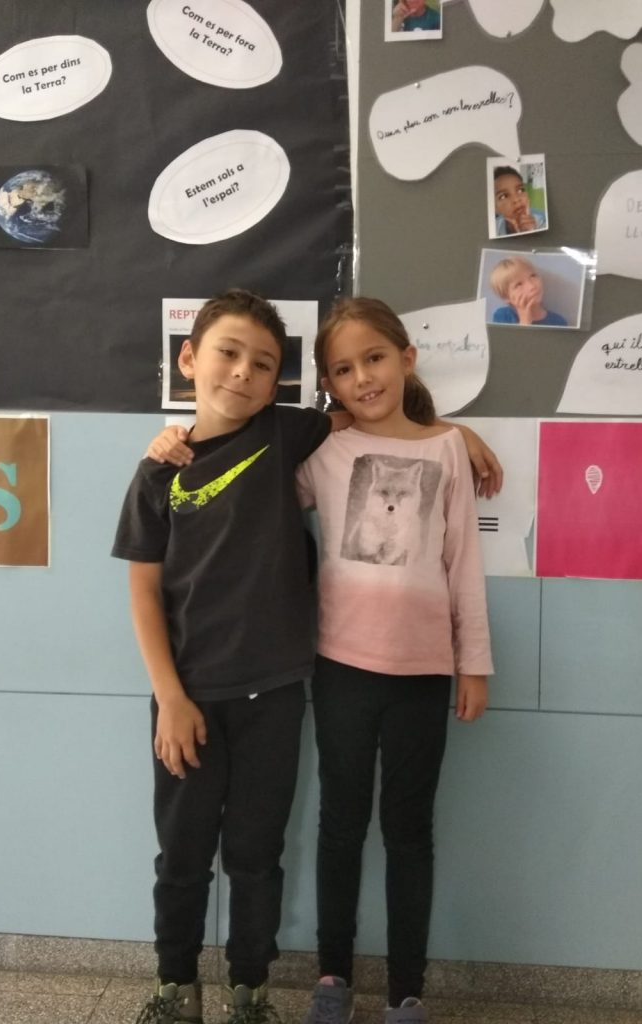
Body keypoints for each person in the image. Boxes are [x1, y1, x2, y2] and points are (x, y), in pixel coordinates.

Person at [122, 290, 501, 1024]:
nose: (243, 372)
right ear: (189, 358)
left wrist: (457, 433)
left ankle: (325, 991)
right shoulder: (209, 463)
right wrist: (164, 445)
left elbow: (448, 532)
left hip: (337, 683)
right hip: (259, 680)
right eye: (228, 354)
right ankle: (212, 985)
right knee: (223, 847)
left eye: (263, 364)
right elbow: (147, 582)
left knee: (317, 844)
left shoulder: (325, 439)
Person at [295, 297, 493, 1024]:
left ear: (407, 359)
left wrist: (474, 663)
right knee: (340, 825)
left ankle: (406, 991)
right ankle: (332, 978)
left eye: (374, 359)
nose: (363, 378)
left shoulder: (448, 450)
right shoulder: (323, 451)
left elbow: (462, 563)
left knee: (409, 832)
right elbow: (256, 482)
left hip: (423, 673)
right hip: (341, 666)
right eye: (343, 370)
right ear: (330, 383)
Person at [489, 256, 568, 327]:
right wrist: (525, 322)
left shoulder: (558, 322)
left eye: (533, 276)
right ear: (506, 297)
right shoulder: (503, 316)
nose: (532, 286)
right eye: (519, 284)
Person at [492, 165, 546, 237]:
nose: (516, 200)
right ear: (495, 208)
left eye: (520, 190)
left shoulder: (544, 221)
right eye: (504, 196)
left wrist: (531, 231)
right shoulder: (494, 228)